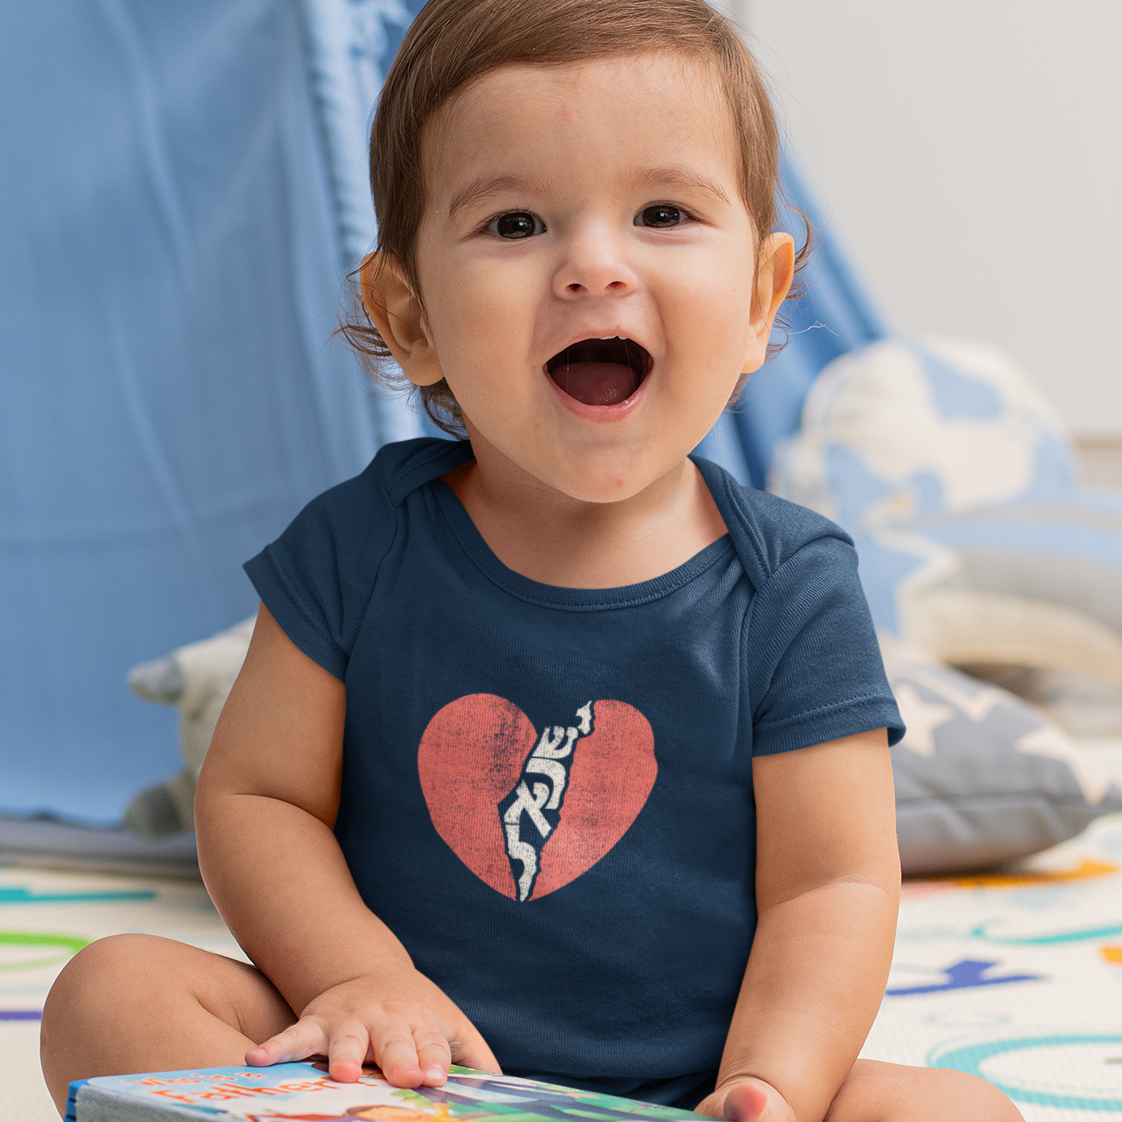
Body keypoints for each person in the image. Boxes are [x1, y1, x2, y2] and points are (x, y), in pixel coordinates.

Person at [40, 1, 1023, 1119]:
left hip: (689, 1088)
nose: (591, 267)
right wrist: (359, 977)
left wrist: (770, 1084)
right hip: (404, 1075)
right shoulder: (355, 549)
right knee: (112, 989)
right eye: (514, 224)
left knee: (957, 1111)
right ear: (408, 318)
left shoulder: (788, 587)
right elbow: (261, 797)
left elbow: (830, 882)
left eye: (661, 211)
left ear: (759, 299)